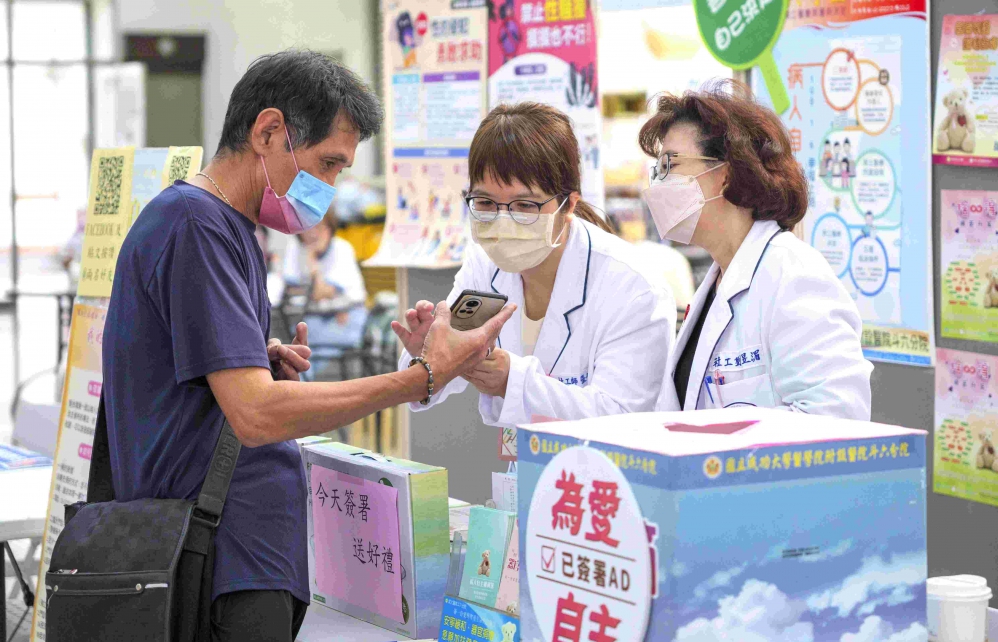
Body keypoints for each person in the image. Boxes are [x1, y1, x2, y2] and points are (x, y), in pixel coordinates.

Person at [101, 50, 512, 642]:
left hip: (234, 547)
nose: (331, 188)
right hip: (216, 556)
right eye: (328, 164)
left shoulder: (224, 226)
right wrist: (421, 377)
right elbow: (256, 414)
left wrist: (251, 357)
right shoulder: (197, 226)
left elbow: (202, 380)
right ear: (268, 132)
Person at [394, 102, 676, 428]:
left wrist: (514, 382)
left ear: (568, 205)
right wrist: (427, 358)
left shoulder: (633, 287)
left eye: (524, 205)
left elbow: (625, 418)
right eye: (485, 202)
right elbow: (435, 378)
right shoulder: (484, 264)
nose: (502, 221)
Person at [640, 81, 872, 419]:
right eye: (657, 171)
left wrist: (729, 438)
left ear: (725, 175)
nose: (658, 185)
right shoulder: (718, 281)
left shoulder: (793, 275)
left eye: (669, 166)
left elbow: (837, 415)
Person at [282, 209, 368, 378]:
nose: (313, 233)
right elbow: (292, 290)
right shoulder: (295, 249)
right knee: (297, 336)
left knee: (304, 345)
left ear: (330, 228)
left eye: (319, 227)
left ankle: (306, 385)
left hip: (345, 317)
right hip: (313, 317)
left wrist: (313, 264)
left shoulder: (341, 248)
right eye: (307, 227)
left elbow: (319, 293)